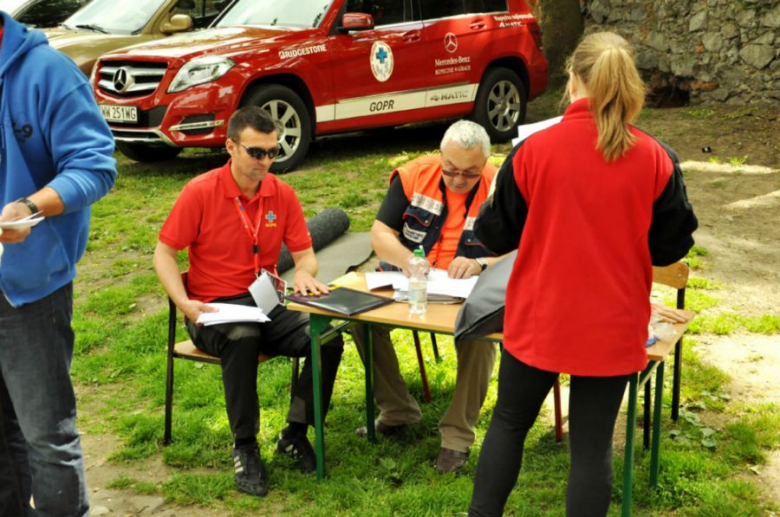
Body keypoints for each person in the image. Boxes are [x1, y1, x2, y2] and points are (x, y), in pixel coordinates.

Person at [468, 32, 698, 516]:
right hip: (613, 324)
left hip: (539, 315)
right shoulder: (656, 157)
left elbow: (494, 234)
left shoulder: (534, 150)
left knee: (509, 424)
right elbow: (671, 246)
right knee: (591, 449)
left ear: (573, 80)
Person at [153, 107, 343, 497]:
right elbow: (164, 253)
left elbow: (305, 254)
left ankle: (295, 433)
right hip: (213, 308)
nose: (266, 161)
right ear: (230, 147)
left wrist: (305, 273)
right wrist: (185, 303)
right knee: (242, 338)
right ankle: (245, 446)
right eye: (257, 152)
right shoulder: (201, 191)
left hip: (265, 303)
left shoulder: (281, 193)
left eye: (273, 152)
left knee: (326, 337)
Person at [0, 11, 118, 516]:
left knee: (46, 435)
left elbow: (94, 166)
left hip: (28, 290)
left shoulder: (46, 71)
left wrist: (29, 207)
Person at [353, 120, 505, 473]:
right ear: (440, 156)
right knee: (359, 319)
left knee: (480, 336)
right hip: (412, 281)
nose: (457, 179)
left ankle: (456, 437)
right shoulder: (413, 175)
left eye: (469, 173)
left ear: (485, 163)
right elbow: (380, 234)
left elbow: (526, 250)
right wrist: (407, 261)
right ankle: (397, 410)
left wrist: (482, 263)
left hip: (469, 292)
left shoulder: (501, 186)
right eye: (450, 169)